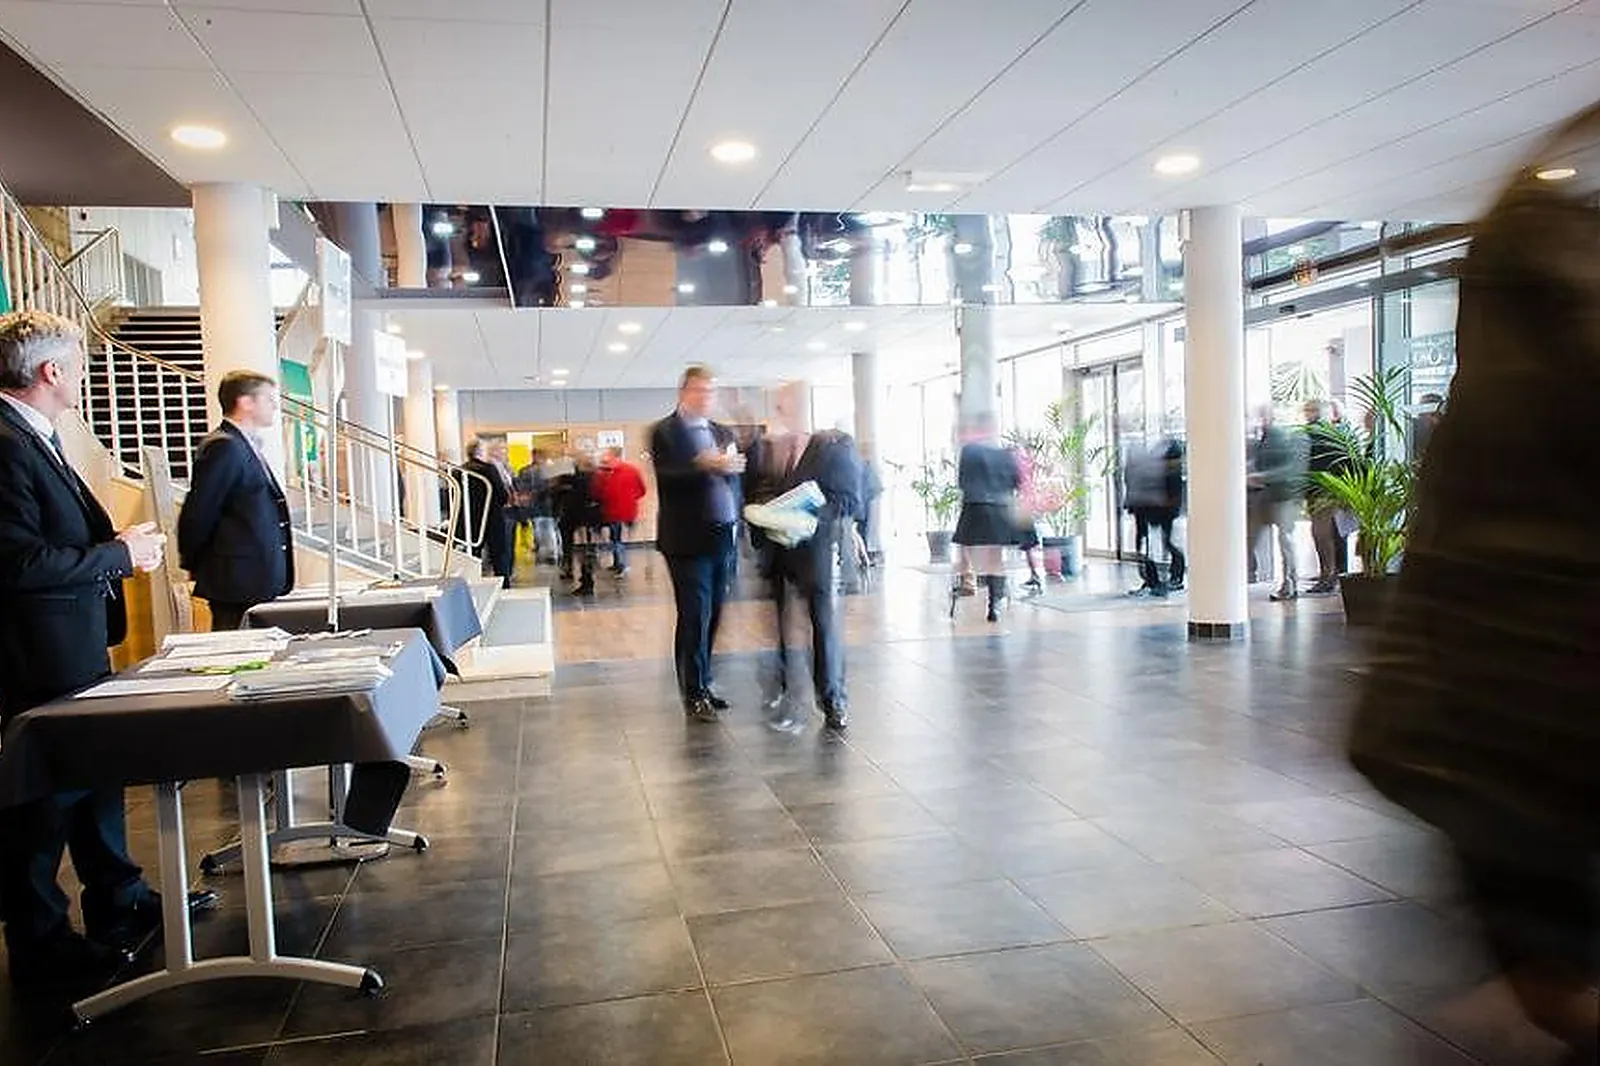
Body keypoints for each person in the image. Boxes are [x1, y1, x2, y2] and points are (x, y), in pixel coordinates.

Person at [1348, 124, 1600, 1064]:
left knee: (1519, 843)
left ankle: (1548, 987)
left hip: (1485, 690)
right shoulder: (1554, 364)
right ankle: (1551, 989)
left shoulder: (1480, 400)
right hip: (1531, 681)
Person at [0, 311, 169, 989]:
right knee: (45, 803)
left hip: (74, 645)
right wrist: (117, 554)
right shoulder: (7, 444)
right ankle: (41, 943)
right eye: (78, 364)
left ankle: (118, 897)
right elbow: (15, 563)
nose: (85, 377)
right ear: (50, 373)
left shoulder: (34, 436)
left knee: (96, 778)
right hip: (38, 655)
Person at [744, 382, 860, 732]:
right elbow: (750, 492)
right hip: (776, 553)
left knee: (821, 624)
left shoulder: (833, 446)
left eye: (790, 403)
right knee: (780, 625)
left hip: (814, 552)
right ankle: (781, 689)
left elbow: (849, 499)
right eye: (780, 404)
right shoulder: (765, 449)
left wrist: (808, 518)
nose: (784, 410)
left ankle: (832, 699)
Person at [650, 365, 744, 722]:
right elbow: (669, 478)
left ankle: (704, 681)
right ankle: (692, 692)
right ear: (683, 392)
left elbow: (735, 479)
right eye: (699, 390)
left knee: (714, 613)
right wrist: (703, 466)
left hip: (722, 536)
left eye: (711, 391)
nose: (706, 397)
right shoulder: (666, 432)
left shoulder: (721, 432)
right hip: (685, 541)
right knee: (695, 614)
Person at [177, 370, 294, 631]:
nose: (275, 405)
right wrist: (196, 564)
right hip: (235, 580)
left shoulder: (246, 444)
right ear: (245, 402)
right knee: (232, 652)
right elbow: (199, 512)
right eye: (268, 398)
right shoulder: (224, 446)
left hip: (253, 577)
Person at [952, 411, 1021, 623]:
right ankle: (995, 604)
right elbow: (1016, 482)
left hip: (976, 507)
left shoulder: (969, 451)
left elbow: (962, 482)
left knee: (965, 548)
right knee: (995, 559)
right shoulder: (1007, 453)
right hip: (1001, 509)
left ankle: (968, 581)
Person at [1247, 406, 1307, 602]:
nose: (1258, 420)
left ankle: (1290, 584)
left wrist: (1262, 476)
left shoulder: (1278, 437)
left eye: (1261, 415)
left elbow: (1289, 468)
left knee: (1285, 540)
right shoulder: (1264, 439)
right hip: (1271, 496)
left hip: (1284, 495)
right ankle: (1258, 576)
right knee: (1265, 537)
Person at [1125, 435, 1186, 597]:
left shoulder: (1171, 469)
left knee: (1165, 543)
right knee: (1145, 545)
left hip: (1159, 508)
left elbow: (1173, 492)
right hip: (1145, 507)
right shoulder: (1150, 462)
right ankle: (1153, 580)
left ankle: (1173, 577)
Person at [1302, 399, 1346, 596]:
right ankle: (1330, 574)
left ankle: (1327, 576)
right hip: (1327, 489)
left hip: (1321, 491)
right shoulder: (1333, 433)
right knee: (1325, 534)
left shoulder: (1313, 432)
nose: (1306, 413)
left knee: (1321, 535)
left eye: (1309, 410)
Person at [457, 439, 510, 587]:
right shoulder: (488, 469)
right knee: (499, 555)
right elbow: (502, 494)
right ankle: (503, 585)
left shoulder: (459, 471)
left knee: (472, 555)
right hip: (491, 518)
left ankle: (472, 585)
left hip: (469, 519)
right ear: (480, 452)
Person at [592, 446, 646, 576]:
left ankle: (622, 565)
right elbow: (642, 490)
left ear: (613, 455)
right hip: (629, 511)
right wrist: (631, 499)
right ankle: (618, 563)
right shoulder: (632, 470)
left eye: (608, 455)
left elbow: (598, 492)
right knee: (618, 538)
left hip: (613, 510)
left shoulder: (606, 472)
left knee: (616, 539)